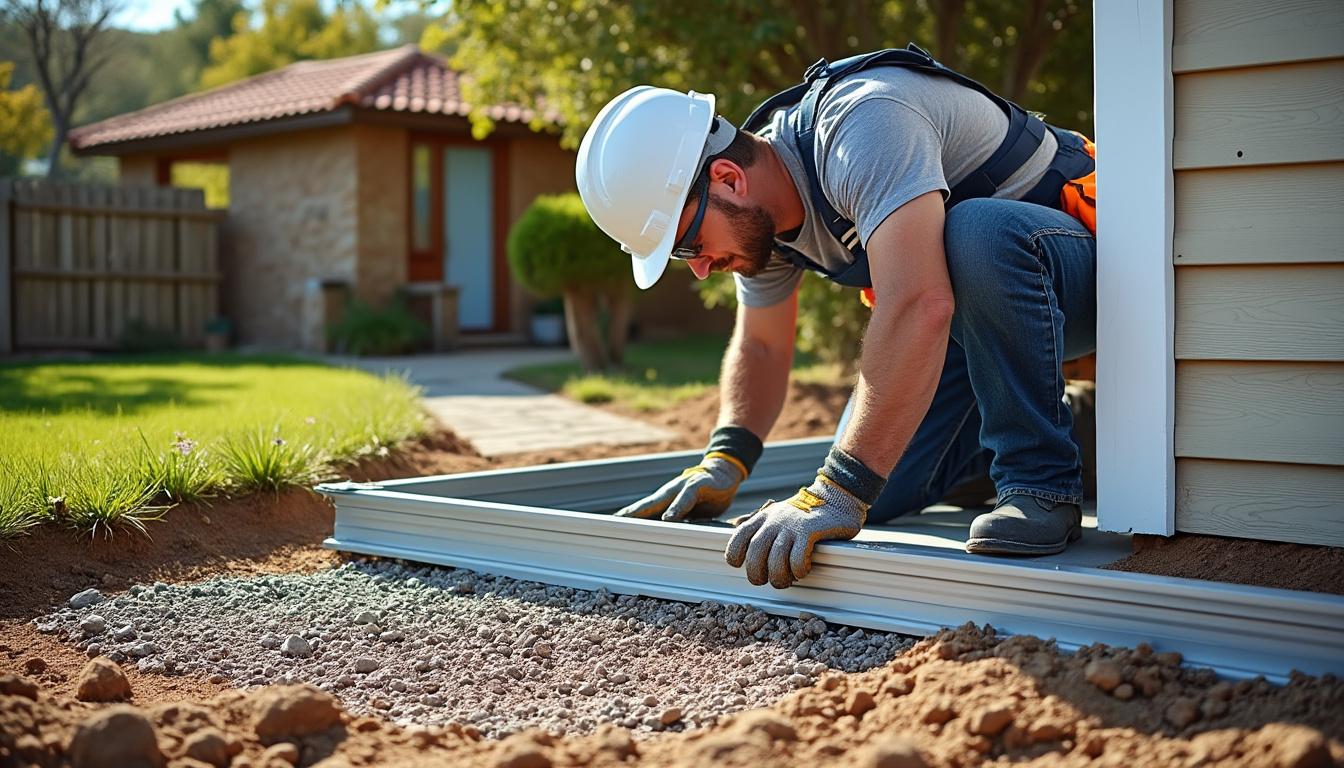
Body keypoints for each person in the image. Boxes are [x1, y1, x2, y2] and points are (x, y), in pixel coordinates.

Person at [574, 46, 1098, 590]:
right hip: (981, 326)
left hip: (1090, 271)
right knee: (883, 484)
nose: (701, 268)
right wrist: (725, 460)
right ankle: (1073, 429)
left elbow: (918, 303)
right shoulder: (761, 225)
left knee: (975, 232)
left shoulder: (863, 126)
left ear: (728, 178)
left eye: (688, 244)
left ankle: (1041, 482)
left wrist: (838, 491)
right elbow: (761, 347)